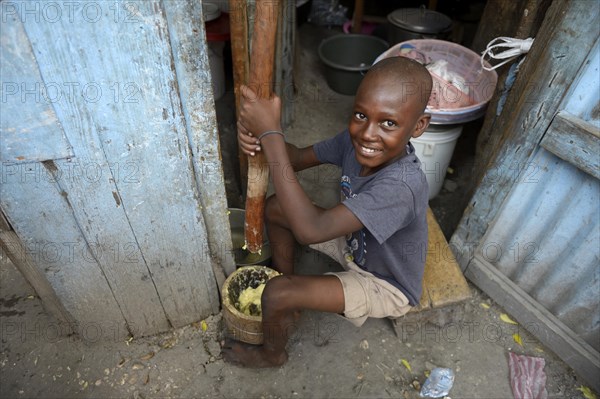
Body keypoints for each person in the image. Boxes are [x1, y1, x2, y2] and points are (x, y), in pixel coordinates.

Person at [223, 56, 433, 368]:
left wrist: (270, 135)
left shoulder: (402, 185)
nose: (368, 134)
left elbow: (311, 229)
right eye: (360, 114)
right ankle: (289, 293)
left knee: (277, 293)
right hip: (355, 244)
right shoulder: (354, 140)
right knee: (277, 209)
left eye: (388, 123)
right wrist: (260, 138)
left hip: (384, 282)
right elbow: (293, 158)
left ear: (418, 126)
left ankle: (272, 354)